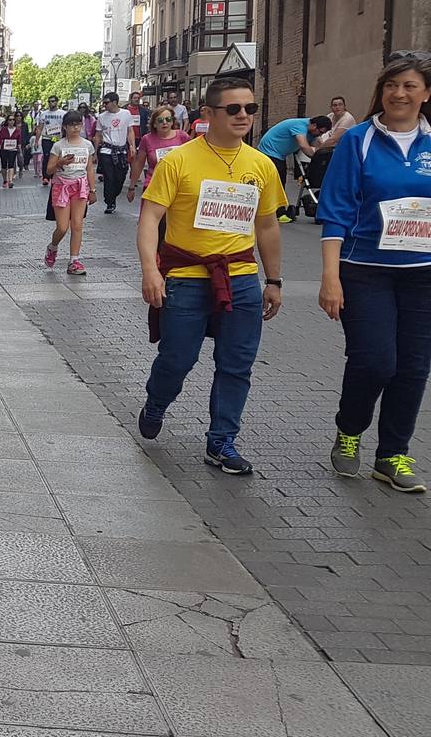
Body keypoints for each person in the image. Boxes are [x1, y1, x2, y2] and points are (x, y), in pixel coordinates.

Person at [137, 76, 285, 476]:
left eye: (250, 109)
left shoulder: (261, 165)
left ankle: (222, 441)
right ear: (208, 114)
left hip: (241, 278)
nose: (243, 116)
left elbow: (268, 225)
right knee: (177, 359)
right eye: (233, 109)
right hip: (186, 278)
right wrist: (151, 270)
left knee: (236, 364)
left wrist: (274, 280)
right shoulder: (180, 161)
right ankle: (156, 401)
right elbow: (151, 217)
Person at [317, 56, 431, 492]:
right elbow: (337, 211)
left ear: (426, 93)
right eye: (390, 86)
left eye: (409, 86)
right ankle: (349, 431)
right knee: (375, 360)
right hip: (365, 271)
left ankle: (392, 456)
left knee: (413, 367)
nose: (398, 94)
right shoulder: (359, 140)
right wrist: (330, 277)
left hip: (422, 274)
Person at [43, 111, 97, 275]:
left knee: (77, 225)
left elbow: (89, 168)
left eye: (78, 124)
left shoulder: (87, 145)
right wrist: (60, 162)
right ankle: (53, 247)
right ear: (65, 127)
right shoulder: (58, 146)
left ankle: (74, 260)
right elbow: (49, 170)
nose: (75, 127)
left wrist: (92, 190)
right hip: (61, 187)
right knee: (62, 227)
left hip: (80, 187)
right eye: (72, 124)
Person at [256, 114, 331, 222]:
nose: (320, 134)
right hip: (269, 152)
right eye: (320, 132)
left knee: (280, 181)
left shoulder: (312, 131)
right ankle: (278, 212)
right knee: (278, 182)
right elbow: (304, 146)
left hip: (280, 155)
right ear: (314, 126)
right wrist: (317, 160)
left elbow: (319, 144)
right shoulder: (299, 126)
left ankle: (275, 209)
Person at [95, 92, 138, 214]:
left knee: (120, 176)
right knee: (109, 177)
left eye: (107, 102)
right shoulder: (102, 117)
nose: (105, 105)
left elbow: (130, 131)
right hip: (106, 150)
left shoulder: (126, 114)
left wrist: (132, 146)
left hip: (121, 150)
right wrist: (95, 152)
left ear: (115, 102)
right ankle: (109, 202)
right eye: (104, 103)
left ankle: (114, 195)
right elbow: (98, 134)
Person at [39, 96, 67, 185]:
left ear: (57, 102)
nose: (51, 103)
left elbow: (65, 127)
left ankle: (56, 174)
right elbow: (40, 127)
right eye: (49, 101)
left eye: (53, 101)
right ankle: (46, 177)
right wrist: (36, 140)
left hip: (58, 138)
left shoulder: (63, 113)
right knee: (47, 157)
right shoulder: (43, 114)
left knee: (57, 157)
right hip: (47, 138)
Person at [0, 111, 24, 188]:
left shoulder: (17, 130)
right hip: (4, 149)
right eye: (10, 120)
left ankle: (10, 181)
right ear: (7, 121)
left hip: (13, 149)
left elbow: (19, 141)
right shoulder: (3, 129)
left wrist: (20, 152)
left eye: (13, 120)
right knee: (4, 166)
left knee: (11, 165)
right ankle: (5, 180)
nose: (11, 121)